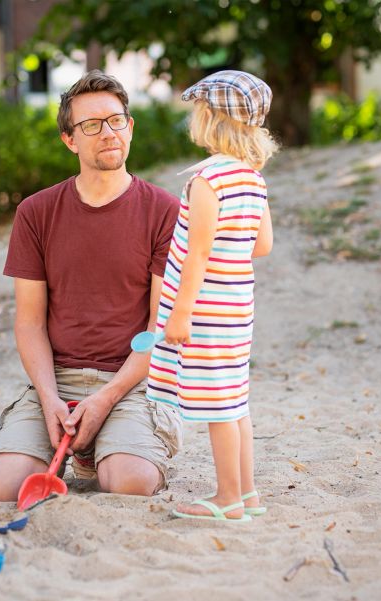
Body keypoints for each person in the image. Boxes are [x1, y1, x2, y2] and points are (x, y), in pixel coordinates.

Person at [0, 70, 183, 501]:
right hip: (57, 380)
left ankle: (107, 449)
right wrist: (50, 398)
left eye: (115, 120)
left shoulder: (166, 211)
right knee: (2, 489)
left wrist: (108, 398)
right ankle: (75, 443)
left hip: (132, 381)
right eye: (90, 125)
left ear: (130, 126)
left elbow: (159, 330)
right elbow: (30, 324)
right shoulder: (36, 213)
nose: (107, 132)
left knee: (129, 484)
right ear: (70, 140)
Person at [146, 70, 278, 521]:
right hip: (237, 307)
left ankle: (227, 498)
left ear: (211, 120)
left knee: (219, 407)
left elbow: (196, 254)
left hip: (205, 311)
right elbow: (262, 245)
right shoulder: (252, 179)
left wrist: (179, 314)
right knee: (235, 401)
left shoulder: (207, 180)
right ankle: (248, 493)